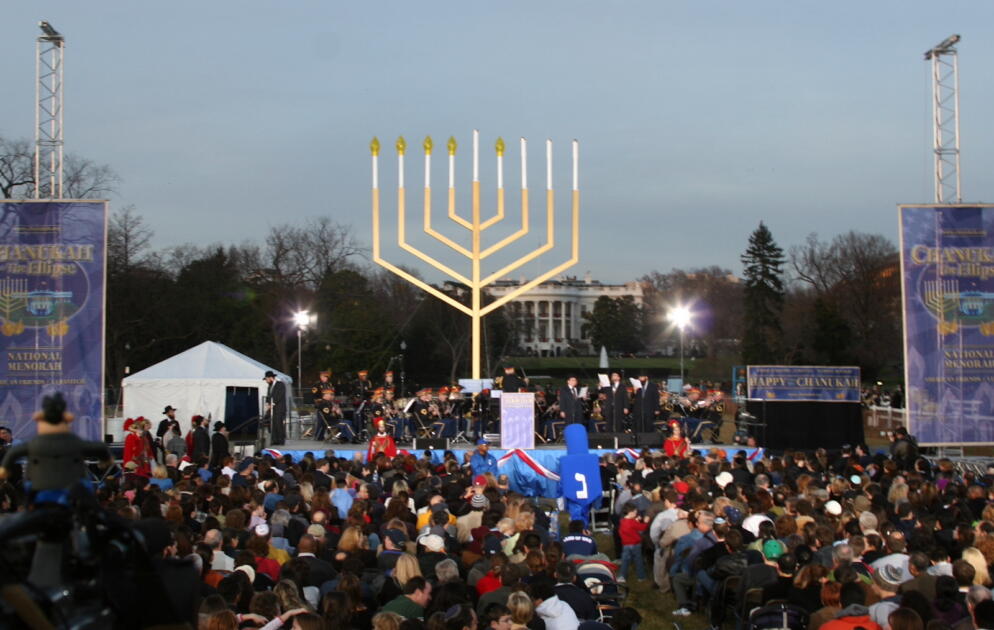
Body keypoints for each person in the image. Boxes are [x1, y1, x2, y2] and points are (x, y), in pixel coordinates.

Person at [617, 502, 649, 584]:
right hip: (635, 544)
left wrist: (636, 521)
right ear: (630, 512)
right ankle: (641, 576)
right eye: (635, 512)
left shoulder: (622, 521)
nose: (636, 513)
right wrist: (645, 522)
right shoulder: (633, 522)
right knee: (638, 560)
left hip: (625, 545)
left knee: (625, 561)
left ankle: (622, 576)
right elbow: (642, 527)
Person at [264, 370, 288, 446]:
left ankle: (281, 440)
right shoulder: (270, 386)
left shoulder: (280, 384)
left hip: (279, 408)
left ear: (271, 378)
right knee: (273, 424)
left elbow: (280, 396)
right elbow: (268, 396)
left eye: (267, 379)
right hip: (272, 409)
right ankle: (275, 440)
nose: (266, 381)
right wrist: (268, 404)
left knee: (279, 424)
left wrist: (273, 403)